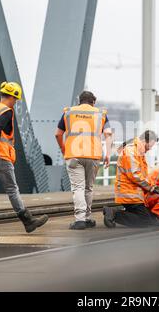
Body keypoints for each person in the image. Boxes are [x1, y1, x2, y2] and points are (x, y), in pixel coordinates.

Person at [0, 81, 49, 236]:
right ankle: (28, 221)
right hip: (0, 156)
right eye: (16, 99)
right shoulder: (6, 111)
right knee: (12, 190)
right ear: (12, 97)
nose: (16, 102)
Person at [55, 91, 113, 230]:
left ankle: (80, 219)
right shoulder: (100, 113)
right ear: (93, 102)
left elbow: (57, 134)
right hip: (93, 155)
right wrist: (108, 154)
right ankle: (87, 218)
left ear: (79, 101)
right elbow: (108, 134)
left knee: (78, 188)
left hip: (74, 155)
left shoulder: (69, 112)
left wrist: (63, 149)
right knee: (88, 188)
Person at [103, 130, 159, 228]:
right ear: (144, 141)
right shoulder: (131, 151)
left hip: (134, 193)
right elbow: (134, 174)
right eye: (150, 146)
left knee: (150, 219)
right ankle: (114, 213)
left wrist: (154, 186)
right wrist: (151, 188)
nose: (150, 149)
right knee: (145, 221)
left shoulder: (139, 152)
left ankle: (151, 219)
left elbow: (143, 174)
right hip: (129, 193)